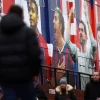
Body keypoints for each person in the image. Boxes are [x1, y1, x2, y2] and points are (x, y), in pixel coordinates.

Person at [0, 5, 42, 100]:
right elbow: (35, 55)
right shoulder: (28, 32)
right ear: (21, 16)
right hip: (24, 78)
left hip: (6, 78)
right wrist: (34, 72)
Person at [65, 7, 97, 75]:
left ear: (86, 35)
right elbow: (67, 41)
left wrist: (88, 22)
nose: (80, 32)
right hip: (80, 85)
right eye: (79, 30)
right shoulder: (77, 52)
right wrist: (70, 18)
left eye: (82, 30)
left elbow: (94, 44)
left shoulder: (90, 52)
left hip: (89, 85)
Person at [51, 7, 75, 87]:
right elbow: (51, 84)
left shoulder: (68, 52)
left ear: (60, 26)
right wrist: (57, 75)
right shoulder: (53, 48)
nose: (53, 22)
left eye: (55, 19)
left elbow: (73, 85)